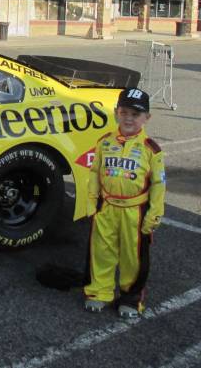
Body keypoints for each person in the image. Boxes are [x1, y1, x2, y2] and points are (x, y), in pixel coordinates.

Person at [84, 88, 165, 318]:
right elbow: (94, 174)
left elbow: (159, 185)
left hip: (135, 211)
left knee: (133, 258)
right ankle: (99, 292)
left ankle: (131, 298)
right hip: (107, 208)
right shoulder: (104, 142)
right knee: (101, 252)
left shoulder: (151, 149)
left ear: (146, 118)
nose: (129, 118)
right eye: (124, 112)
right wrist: (92, 204)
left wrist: (154, 214)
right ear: (116, 112)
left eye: (136, 114)